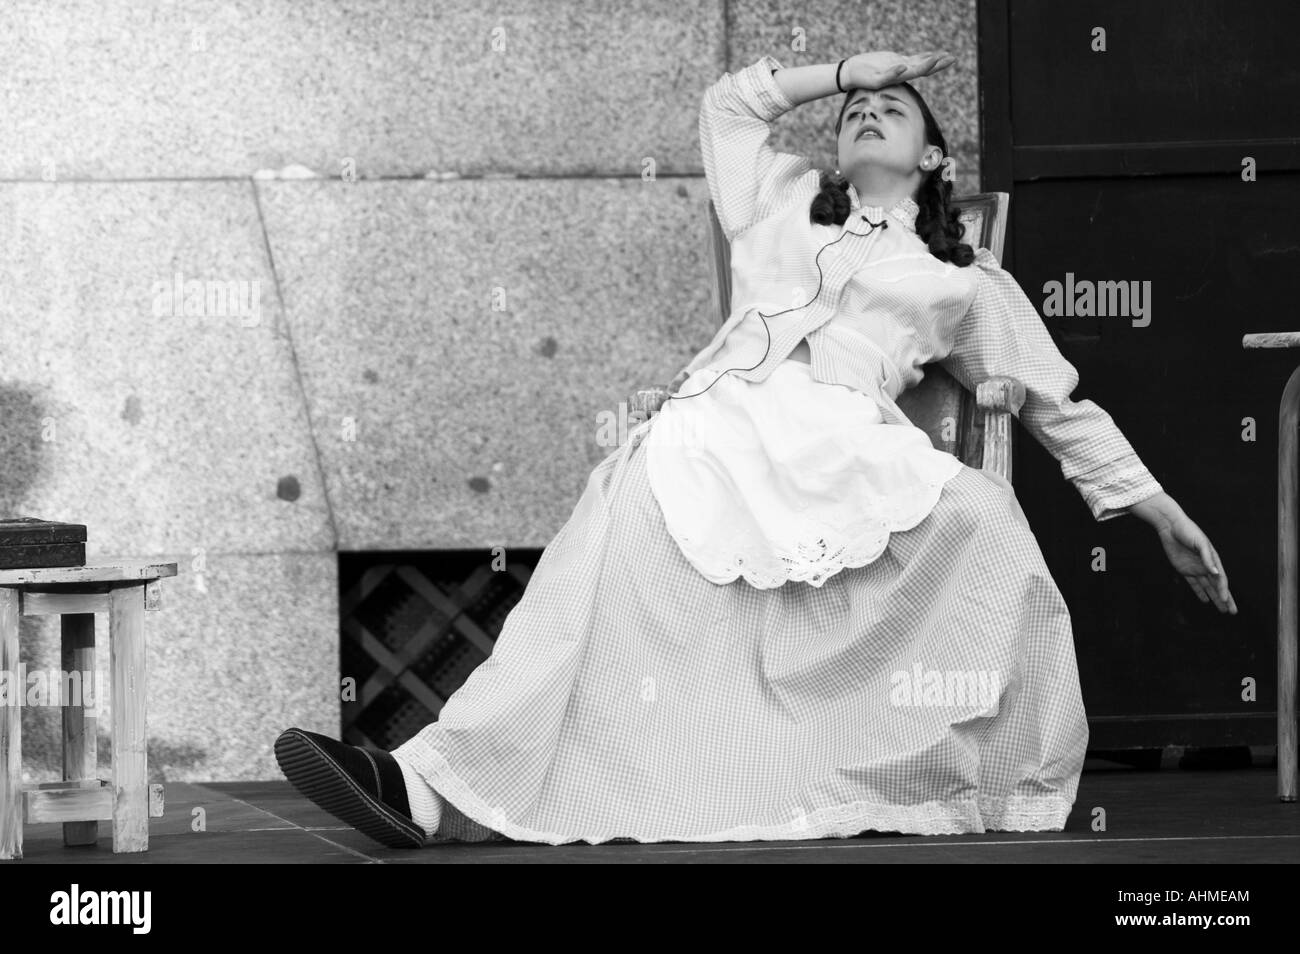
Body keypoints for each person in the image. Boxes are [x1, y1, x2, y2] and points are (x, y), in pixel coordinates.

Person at [275, 49, 1236, 849]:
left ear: (934, 156)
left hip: (852, 444)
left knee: (988, 521)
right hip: (717, 429)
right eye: (854, 110)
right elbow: (728, 105)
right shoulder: (776, 197)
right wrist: (856, 69)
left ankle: (997, 788)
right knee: (594, 554)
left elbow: (1057, 403)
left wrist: (1160, 513)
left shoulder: (963, 277)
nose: (867, 111)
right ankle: (427, 785)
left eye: (893, 108)